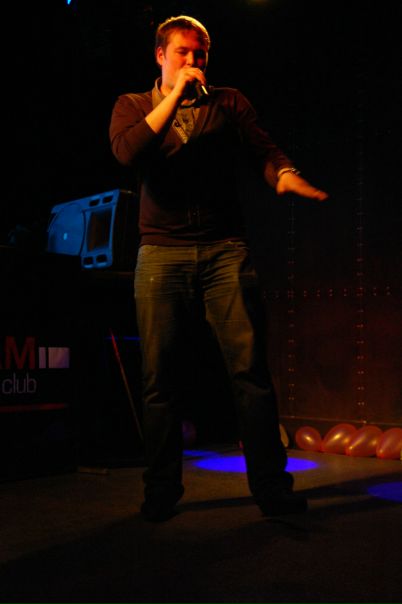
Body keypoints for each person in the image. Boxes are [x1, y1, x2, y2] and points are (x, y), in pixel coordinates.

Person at [109, 15, 328, 522]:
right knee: (160, 378)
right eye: (183, 53)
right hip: (161, 253)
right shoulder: (133, 105)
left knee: (250, 373)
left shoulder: (227, 102)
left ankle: (272, 489)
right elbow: (129, 151)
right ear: (160, 55)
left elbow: (262, 149)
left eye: (201, 54)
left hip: (225, 251)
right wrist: (174, 97)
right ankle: (161, 490)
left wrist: (284, 174)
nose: (194, 62)